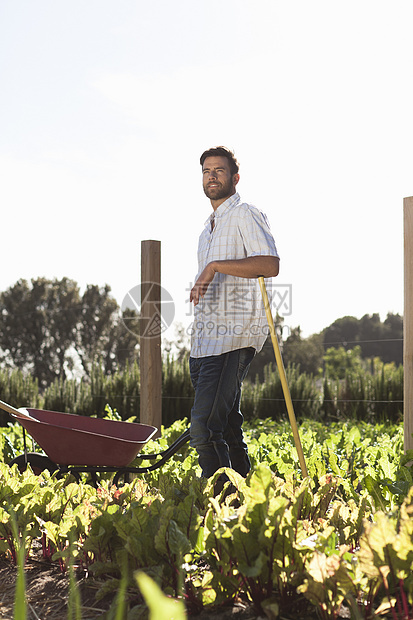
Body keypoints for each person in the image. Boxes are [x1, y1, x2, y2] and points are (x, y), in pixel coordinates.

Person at [189, 146, 279, 492]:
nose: (212, 176)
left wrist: (214, 267)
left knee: (203, 426)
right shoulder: (207, 229)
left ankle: (222, 500)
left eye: (219, 171)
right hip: (204, 340)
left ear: (234, 178)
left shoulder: (244, 214)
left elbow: (269, 264)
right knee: (225, 425)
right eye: (206, 171)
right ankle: (249, 496)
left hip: (233, 337)